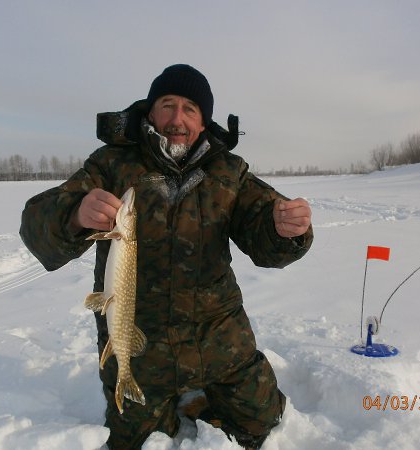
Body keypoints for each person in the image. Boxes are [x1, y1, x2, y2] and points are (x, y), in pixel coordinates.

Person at [20, 64, 313, 449]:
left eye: (190, 109)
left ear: (203, 122)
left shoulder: (229, 172)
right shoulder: (111, 164)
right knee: (135, 444)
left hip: (219, 337)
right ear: (150, 111)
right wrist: (74, 213)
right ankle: (171, 404)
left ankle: (202, 399)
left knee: (264, 421)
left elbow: (263, 233)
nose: (177, 118)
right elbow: (36, 226)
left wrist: (286, 230)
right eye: (167, 105)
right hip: (139, 344)